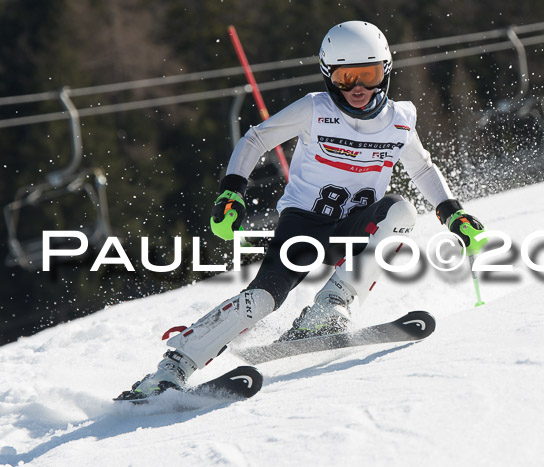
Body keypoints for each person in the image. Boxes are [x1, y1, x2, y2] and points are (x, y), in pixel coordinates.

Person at [122, 21, 486, 399]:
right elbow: (256, 138)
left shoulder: (399, 120)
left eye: (369, 75)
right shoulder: (315, 109)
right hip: (303, 227)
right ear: (330, 77)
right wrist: (232, 193)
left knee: (400, 211)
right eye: (347, 78)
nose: (359, 88)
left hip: (353, 229)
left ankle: (328, 309)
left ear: (386, 73)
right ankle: (171, 368)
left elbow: (423, 167)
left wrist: (452, 211)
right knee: (263, 299)